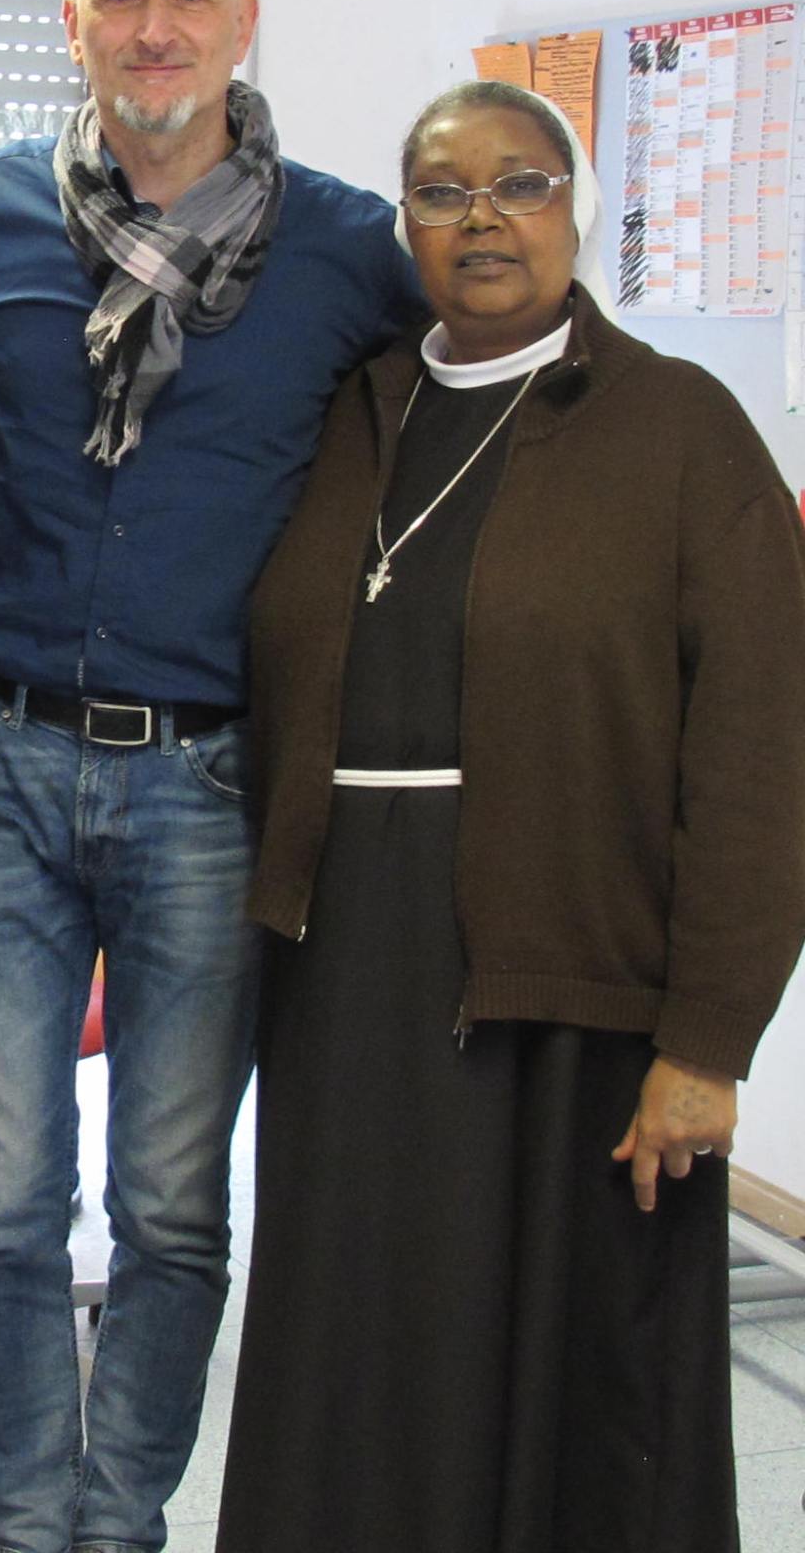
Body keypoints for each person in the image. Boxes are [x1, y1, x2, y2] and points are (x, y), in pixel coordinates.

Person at [0, 0, 425, 1553]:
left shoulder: (351, 252)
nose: (155, 28)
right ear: (73, 24)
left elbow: (461, 441)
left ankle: (118, 1525)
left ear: (243, 24)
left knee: (175, 1209)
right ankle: (23, 1529)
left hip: (211, 780)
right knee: (2, 1202)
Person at [216, 78, 805, 1553]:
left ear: (578, 210)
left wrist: (708, 1044)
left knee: (570, 1377)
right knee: (358, 1340)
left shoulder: (680, 428)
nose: (483, 219)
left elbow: (761, 753)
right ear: (404, 226)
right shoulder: (354, 414)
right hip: (347, 967)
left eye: (522, 184)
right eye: (442, 191)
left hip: (575, 981)